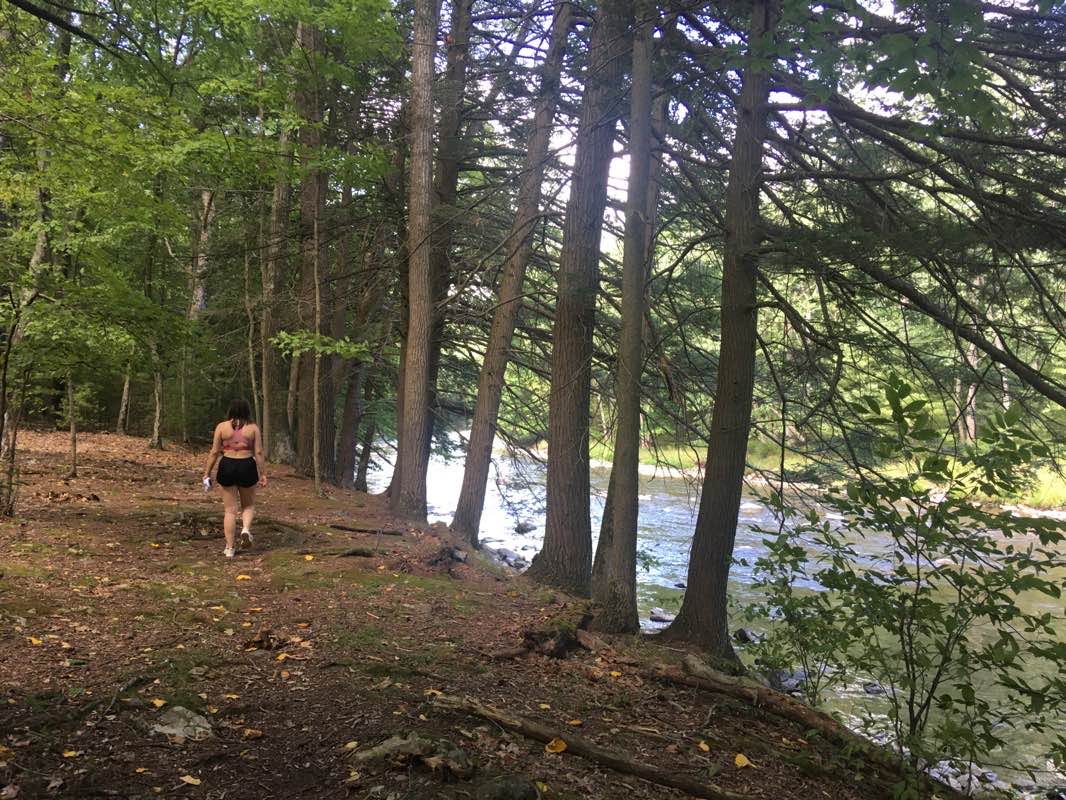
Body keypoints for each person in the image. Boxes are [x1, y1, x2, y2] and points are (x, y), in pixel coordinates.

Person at [202, 399, 267, 558]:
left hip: (227, 465)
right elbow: (258, 452)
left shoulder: (222, 427)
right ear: (247, 411)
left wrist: (207, 473)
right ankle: (245, 529)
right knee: (248, 505)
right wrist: (263, 473)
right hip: (247, 465)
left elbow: (214, 452)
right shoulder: (253, 428)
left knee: (229, 511)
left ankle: (230, 548)